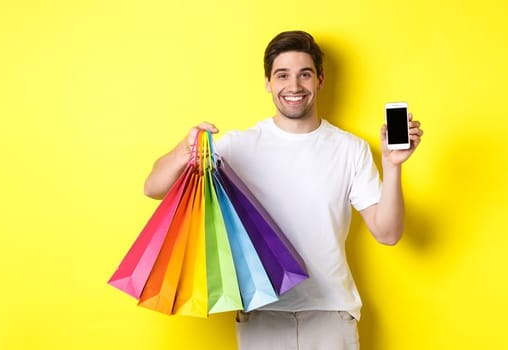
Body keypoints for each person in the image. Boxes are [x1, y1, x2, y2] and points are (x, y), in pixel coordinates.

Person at [142, 30, 424, 349]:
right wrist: (186, 147)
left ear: (320, 79)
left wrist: (393, 165)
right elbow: (154, 187)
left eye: (304, 74)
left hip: (331, 312)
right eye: (282, 75)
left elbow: (388, 233)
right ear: (268, 82)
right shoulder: (238, 146)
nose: (293, 86)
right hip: (262, 311)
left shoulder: (350, 149)